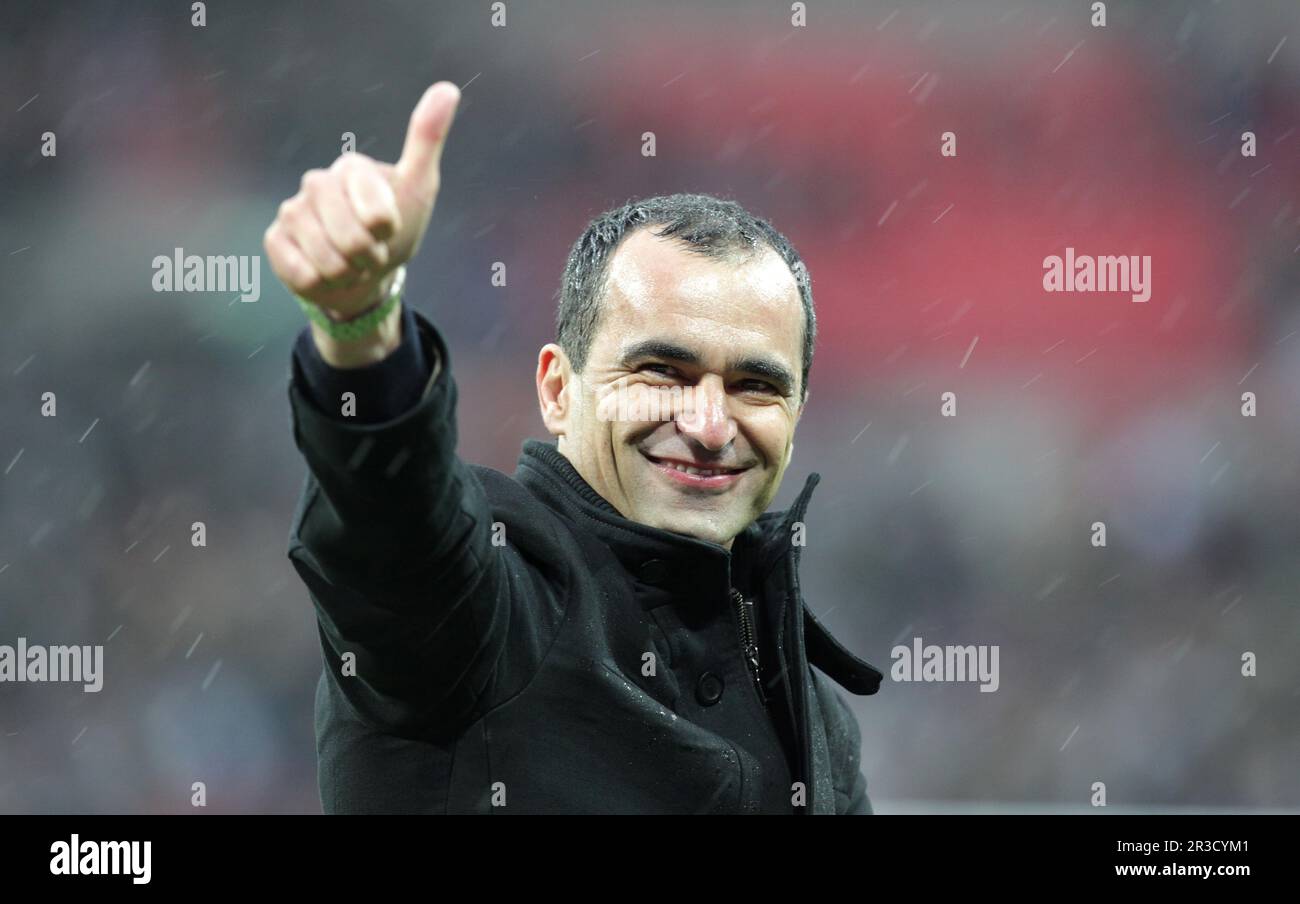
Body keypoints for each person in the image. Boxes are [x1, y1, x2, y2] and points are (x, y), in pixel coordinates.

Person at [266, 81, 882, 814]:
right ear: (559, 389)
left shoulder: (809, 702)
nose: (712, 425)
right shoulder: (488, 600)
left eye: (755, 385)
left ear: (798, 412)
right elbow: (391, 520)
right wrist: (361, 327)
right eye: (662, 371)